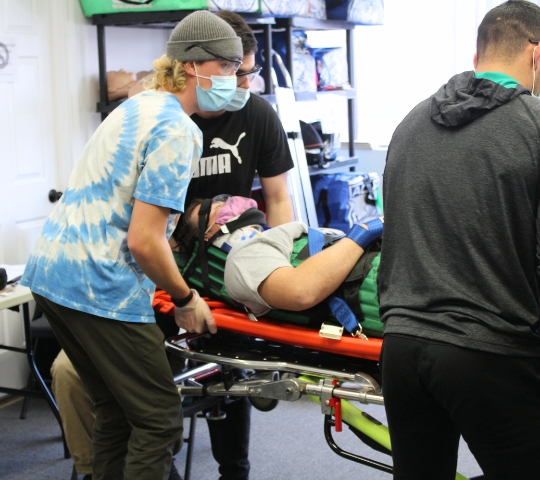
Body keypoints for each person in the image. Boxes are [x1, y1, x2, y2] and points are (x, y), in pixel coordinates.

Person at [49, 11, 295, 480]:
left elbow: (279, 199)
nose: (240, 83)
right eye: (229, 70)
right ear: (194, 67)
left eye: (245, 71)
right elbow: (145, 240)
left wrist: (276, 280)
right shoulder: (177, 127)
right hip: (127, 276)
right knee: (156, 419)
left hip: (68, 275)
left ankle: (231, 468)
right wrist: (184, 297)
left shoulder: (137, 107)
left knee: (125, 411)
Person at [378, 2, 540, 479]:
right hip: (490, 350)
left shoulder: (409, 123)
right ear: (536, 54)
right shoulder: (533, 125)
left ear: (479, 55)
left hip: (403, 348)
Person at [181, 195, 383, 323]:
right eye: (216, 209)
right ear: (206, 236)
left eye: (226, 200)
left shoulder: (278, 237)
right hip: (389, 288)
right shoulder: (243, 256)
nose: (227, 203)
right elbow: (299, 292)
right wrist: (362, 233)